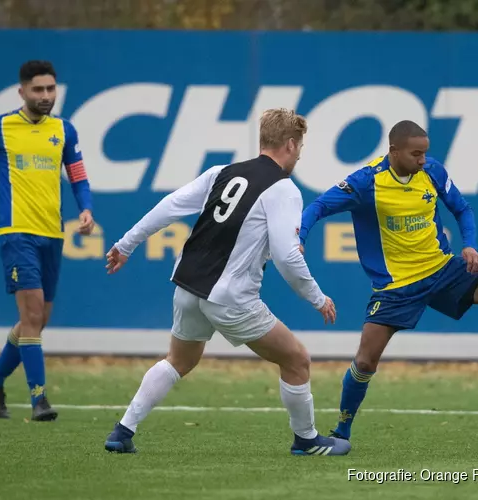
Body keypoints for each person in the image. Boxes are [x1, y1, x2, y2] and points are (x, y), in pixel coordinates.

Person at [299, 120, 478, 442]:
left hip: (443, 270)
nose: (422, 160)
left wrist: (469, 244)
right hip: (396, 286)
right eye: (415, 154)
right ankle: (342, 432)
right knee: (365, 361)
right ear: (393, 152)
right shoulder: (366, 182)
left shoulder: (432, 172)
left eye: (425, 153)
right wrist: (301, 237)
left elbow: (462, 209)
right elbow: (318, 206)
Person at [103, 108, 350, 456]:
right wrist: (317, 297)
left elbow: (169, 206)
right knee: (296, 360)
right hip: (230, 297)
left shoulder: (223, 172)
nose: (300, 152)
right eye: (301, 145)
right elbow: (287, 256)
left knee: (178, 360)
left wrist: (126, 244)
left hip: (188, 286)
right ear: (291, 145)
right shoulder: (283, 189)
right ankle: (307, 440)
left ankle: (122, 431)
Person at [0, 60, 94, 421]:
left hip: (52, 234)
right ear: (22, 91)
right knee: (30, 314)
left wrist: (85, 209)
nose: (46, 96)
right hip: (16, 233)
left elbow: (78, 177)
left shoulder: (64, 130)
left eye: (51, 89)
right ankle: (38, 399)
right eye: (38, 90)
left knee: (39, 320)